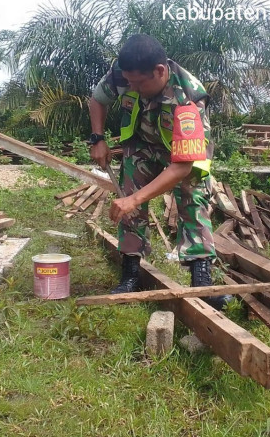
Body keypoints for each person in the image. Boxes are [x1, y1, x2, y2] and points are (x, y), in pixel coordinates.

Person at [89, 34, 231, 310]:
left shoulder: (189, 98)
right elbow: (97, 100)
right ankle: (131, 272)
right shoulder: (125, 72)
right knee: (128, 195)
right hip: (141, 143)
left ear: (160, 71)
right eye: (129, 82)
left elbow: (181, 167)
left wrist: (135, 199)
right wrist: (98, 138)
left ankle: (202, 282)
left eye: (139, 83)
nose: (133, 87)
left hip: (183, 154)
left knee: (193, 198)